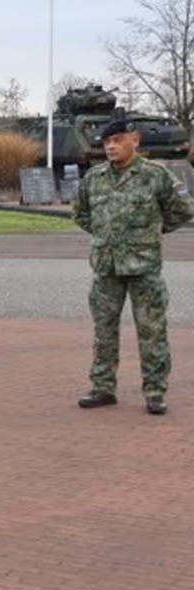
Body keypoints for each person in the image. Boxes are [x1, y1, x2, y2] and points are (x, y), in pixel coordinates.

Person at [74, 116, 192, 415]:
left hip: (144, 268)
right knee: (104, 332)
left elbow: (181, 211)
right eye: (107, 142)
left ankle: (154, 391)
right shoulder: (94, 178)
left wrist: (150, 233)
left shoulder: (156, 176)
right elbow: (81, 213)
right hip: (106, 268)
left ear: (135, 141)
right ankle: (103, 387)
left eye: (117, 141)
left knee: (152, 331)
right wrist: (106, 236)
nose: (111, 146)